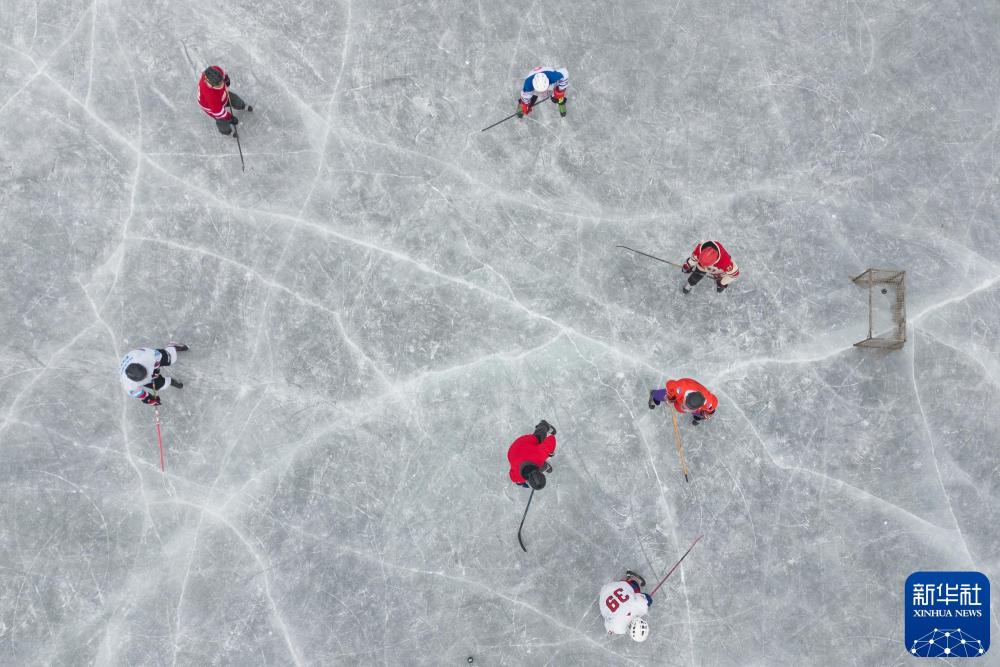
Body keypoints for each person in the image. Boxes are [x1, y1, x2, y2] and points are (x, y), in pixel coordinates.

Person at [119, 344, 188, 406]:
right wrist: (149, 399)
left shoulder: (146, 357)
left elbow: (158, 356)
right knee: (160, 385)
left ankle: (172, 347)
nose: (146, 376)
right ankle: (170, 381)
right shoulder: (129, 385)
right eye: (143, 378)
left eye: (145, 373)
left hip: (141, 355)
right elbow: (142, 395)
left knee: (170, 359)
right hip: (135, 364)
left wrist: (156, 369)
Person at [198, 65, 252, 136]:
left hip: (223, 95)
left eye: (222, 82)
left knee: (236, 100)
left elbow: (224, 74)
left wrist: (226, 80)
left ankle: (242, 106)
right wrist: (230, 117)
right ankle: (228, 132)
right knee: (223, 121)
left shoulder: (216, 70)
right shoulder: (210, 96)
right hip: (212, 107)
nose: (222, 85)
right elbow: (219, 113)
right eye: (218, 85)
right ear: (211, 85)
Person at [599, 571, 651, 642]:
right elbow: (607, 625)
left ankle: (632, 578)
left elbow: (648, 599)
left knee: (635, 588)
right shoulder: (619, 629)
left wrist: (646, 602)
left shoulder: (640, 607)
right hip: (602, 596)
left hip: (614, 586)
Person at [506, 420, 557, 489]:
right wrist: (520, 482)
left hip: (524, 442)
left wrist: (550, 452)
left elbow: (552, 439)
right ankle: (545, 466)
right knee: (539, 462)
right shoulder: (517, 478)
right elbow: (512, 476)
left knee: (538, 437)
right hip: (512, 452)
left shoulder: (540, 454)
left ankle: (543, 425)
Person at [649, 378, 717, 425]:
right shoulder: (677, 390)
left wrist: (707, 414)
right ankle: (654, 395)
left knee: (701, 413)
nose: (685, 409)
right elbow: (670, 384)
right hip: (685, 387)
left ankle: (697, 417)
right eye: (685, 406)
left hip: (697, 406)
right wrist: (669, 398)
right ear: (686, 398)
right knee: (663, 394)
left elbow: (711, 410)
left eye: (688, 409)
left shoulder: (709, 403)